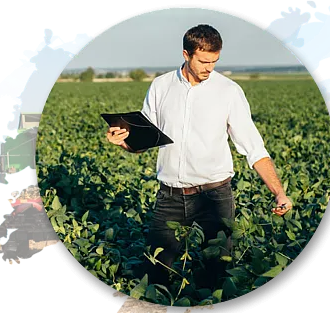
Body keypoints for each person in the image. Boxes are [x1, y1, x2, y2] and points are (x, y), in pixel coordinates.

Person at [106, 24, 292, 290]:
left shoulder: (228, 91)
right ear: (186, 54)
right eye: (204, 61)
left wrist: (279, 192)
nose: (209, 68)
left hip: (214, 197)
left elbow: (254, 148)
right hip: (169, 196)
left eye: (214, 61)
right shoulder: (161, 87)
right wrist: (122, 142)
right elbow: (143, 142)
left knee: (214, 273)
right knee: (157, 271)